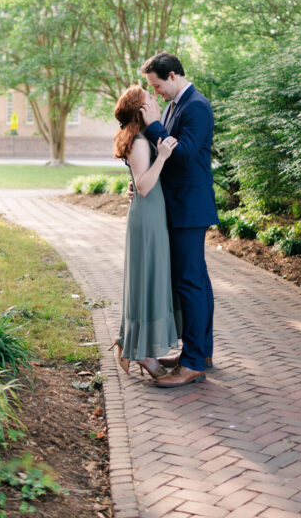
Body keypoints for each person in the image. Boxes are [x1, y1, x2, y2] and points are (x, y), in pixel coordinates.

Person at [139, 52, 218, 388]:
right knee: (194, 280)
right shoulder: (175, 106)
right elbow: (166, 157)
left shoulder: (195, 106)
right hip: (179, 206)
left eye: (157, 85)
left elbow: (183, 157)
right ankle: (200, 352)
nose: (155, 93)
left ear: (171, 76)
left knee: (190, 283)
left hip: (189, 209)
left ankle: (194, 363)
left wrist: (152, 124)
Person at [110, 85, 180, 380]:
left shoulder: (141, 138)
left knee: (148, 281)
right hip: (146, 219)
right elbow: (143, 185)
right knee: (147, 282)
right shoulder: (140, 141)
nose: (153, 99)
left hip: (151, 215)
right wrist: (162, 156)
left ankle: (131, 343)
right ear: (140, 109)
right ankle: (143, 355)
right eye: (148, 98)